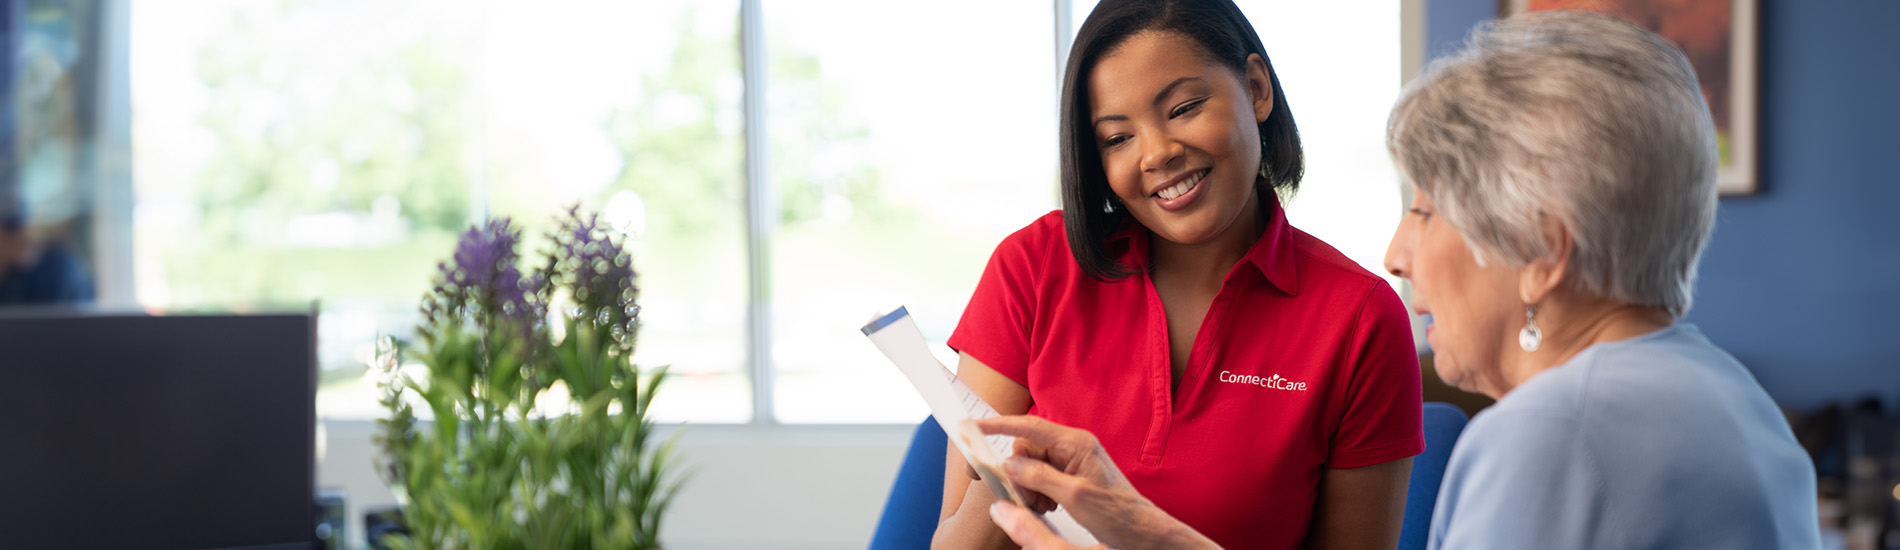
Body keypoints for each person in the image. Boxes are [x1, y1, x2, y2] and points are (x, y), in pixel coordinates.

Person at [980, 9, 1822, 550]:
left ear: (1544, 251)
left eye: (1425, 210)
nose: (1394, 250)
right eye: (1116, 135)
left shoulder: (1553, 434)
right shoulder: (1730, 394)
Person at [934, 1, 1423, 548]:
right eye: (1117, 139)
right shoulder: (1035, 266)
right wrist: (1014, 476)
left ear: (1257, 89)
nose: (1157, 154)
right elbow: (954, 540)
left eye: (1184, 107)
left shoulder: (1359, 319)